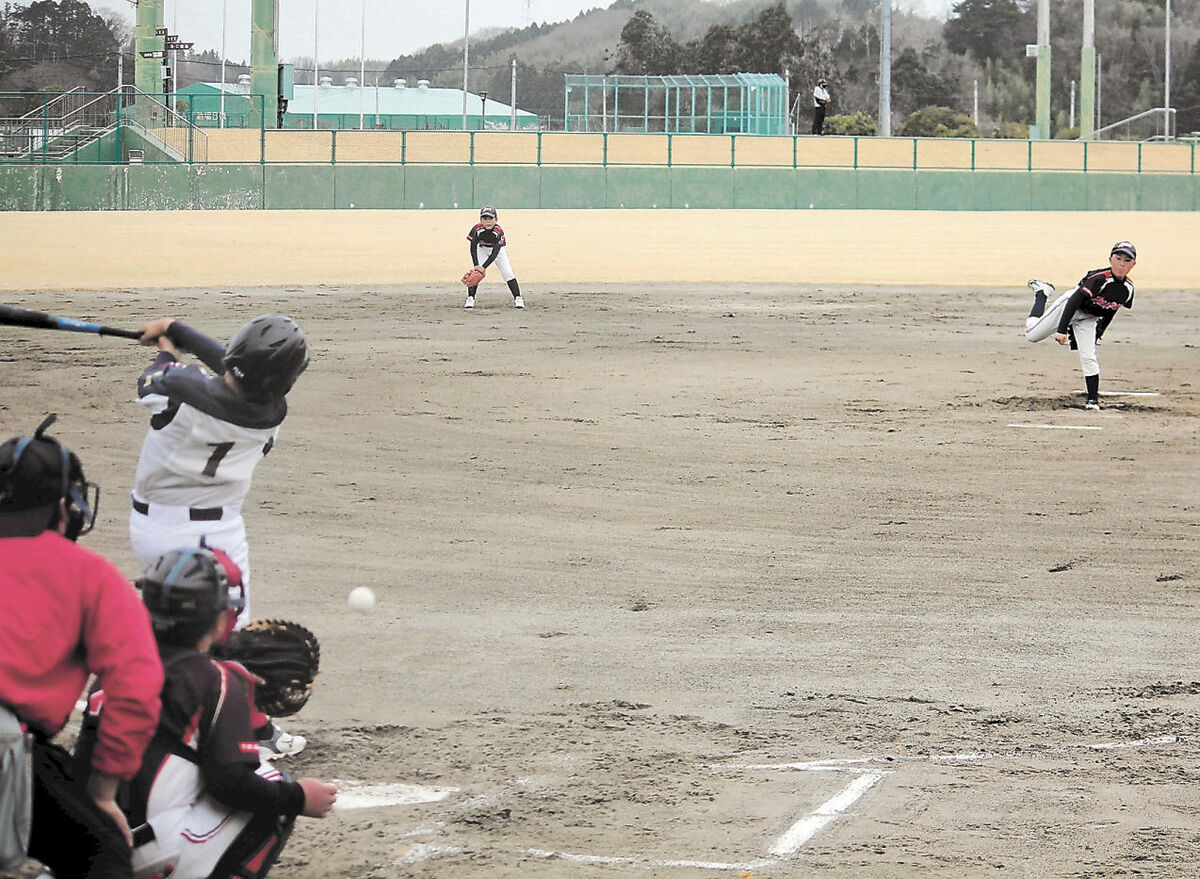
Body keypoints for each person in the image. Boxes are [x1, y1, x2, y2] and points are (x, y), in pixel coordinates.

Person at [76, 547, 337, 879]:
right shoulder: (213, 679)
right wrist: (299, 798)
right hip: (145, 852)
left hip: (87, 840)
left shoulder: (116, 662)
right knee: (272, 783)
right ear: (218, 618)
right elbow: (230, 783)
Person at [128, 313, 310, 758]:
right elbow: (229, 369)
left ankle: (171, 717)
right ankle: (246, 732)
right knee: (229, 638)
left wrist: (169, 343)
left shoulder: (177, 387)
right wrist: (179, 331)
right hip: (213, 534)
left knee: (183, 631)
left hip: (154, 526)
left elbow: (157, 376)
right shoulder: (271, 415)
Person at [0, 414, 163, 878]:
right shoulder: (88, 574)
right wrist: (103, 791)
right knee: (104, 855)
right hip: (7, 742)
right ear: (65, 508)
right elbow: (136, 684)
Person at [1025, 240, 1137, 410]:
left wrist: (1099, 332)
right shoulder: (1099, 278)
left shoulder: (1128, 288)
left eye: (1127, 260)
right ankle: (1042, 293)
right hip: (1070, 306)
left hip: (1089, 317)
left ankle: (1092, 401)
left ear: (1133, 265)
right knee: (1032, 335)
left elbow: (1111, 309)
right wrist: (1062, 330)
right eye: (1118, 257)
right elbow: (1075, 300)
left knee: (1089, 355)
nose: (1122, 263)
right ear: (1110, 259)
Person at [464, 205, 524, 310]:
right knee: (475, 274)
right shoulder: (477, 229)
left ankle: (518, 298)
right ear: (480, 220)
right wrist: (477, 265)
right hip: (482, 249)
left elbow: (495, 252)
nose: (488, 221)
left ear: (496, 219)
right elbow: (473, 247)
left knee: (508, 273)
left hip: (498, 251)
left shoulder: (498, 231)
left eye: (490, 218)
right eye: (484, 218)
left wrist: (484, 267)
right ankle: (470, 298)